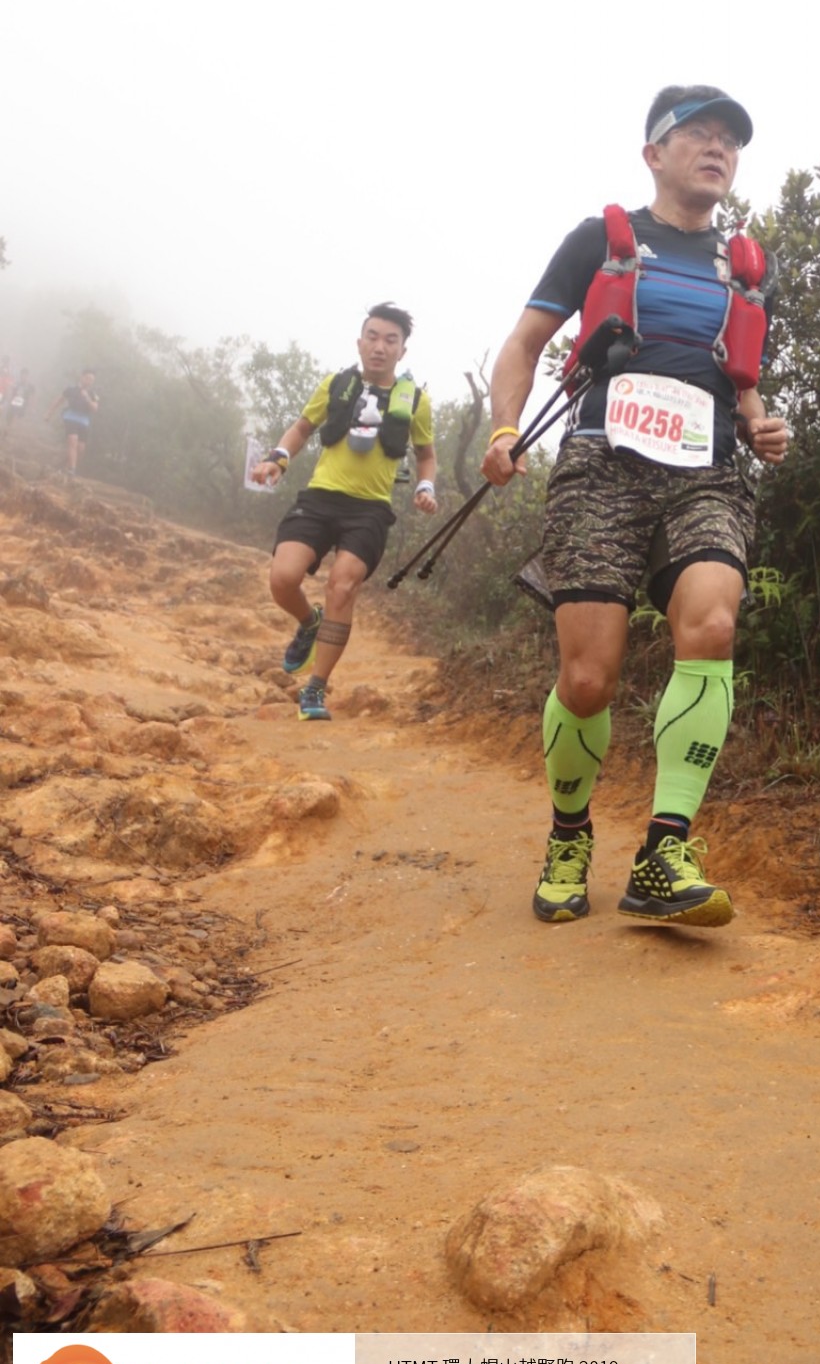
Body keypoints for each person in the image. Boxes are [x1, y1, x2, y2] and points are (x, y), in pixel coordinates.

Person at [481, 84, 789, 928]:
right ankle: (569, 836)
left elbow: (742, 380)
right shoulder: (600, 241)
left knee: (714, 624)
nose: (718, 148)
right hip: (602, 464)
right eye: (699, 134)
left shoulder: (745, 266)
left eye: (730, 140)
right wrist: (504, 430)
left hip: (706, 469)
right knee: (587, 679)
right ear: (654, 154)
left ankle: (664, 850)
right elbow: (524, 345)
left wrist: (760, 427)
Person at [251, 303, 437, 721]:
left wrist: (426, 486)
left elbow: (427, 456)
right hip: (320, 498)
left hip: (369, 509)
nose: (379, 347)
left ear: (402, 351)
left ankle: (315, 687)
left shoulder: (415, 401)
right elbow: (302, 428)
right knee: (282, 579)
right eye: (373, 337)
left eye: (390, 340)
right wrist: (277, 459)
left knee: (343, 587)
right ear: (359, 342)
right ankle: (309, 622)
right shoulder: (336, 385)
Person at [46, 369, 98, 475]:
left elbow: (94, 408)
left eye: (92, 380)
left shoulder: (93, 394)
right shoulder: (71, 389)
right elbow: (59, 401)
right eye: (87, 378)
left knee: (80, 449)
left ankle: (65, 467)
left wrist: (87, 397)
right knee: (73, 441)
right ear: (82, 377)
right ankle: (72, 470)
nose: (89, 381)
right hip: (71, 417)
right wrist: (49, 413)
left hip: (84, 421)